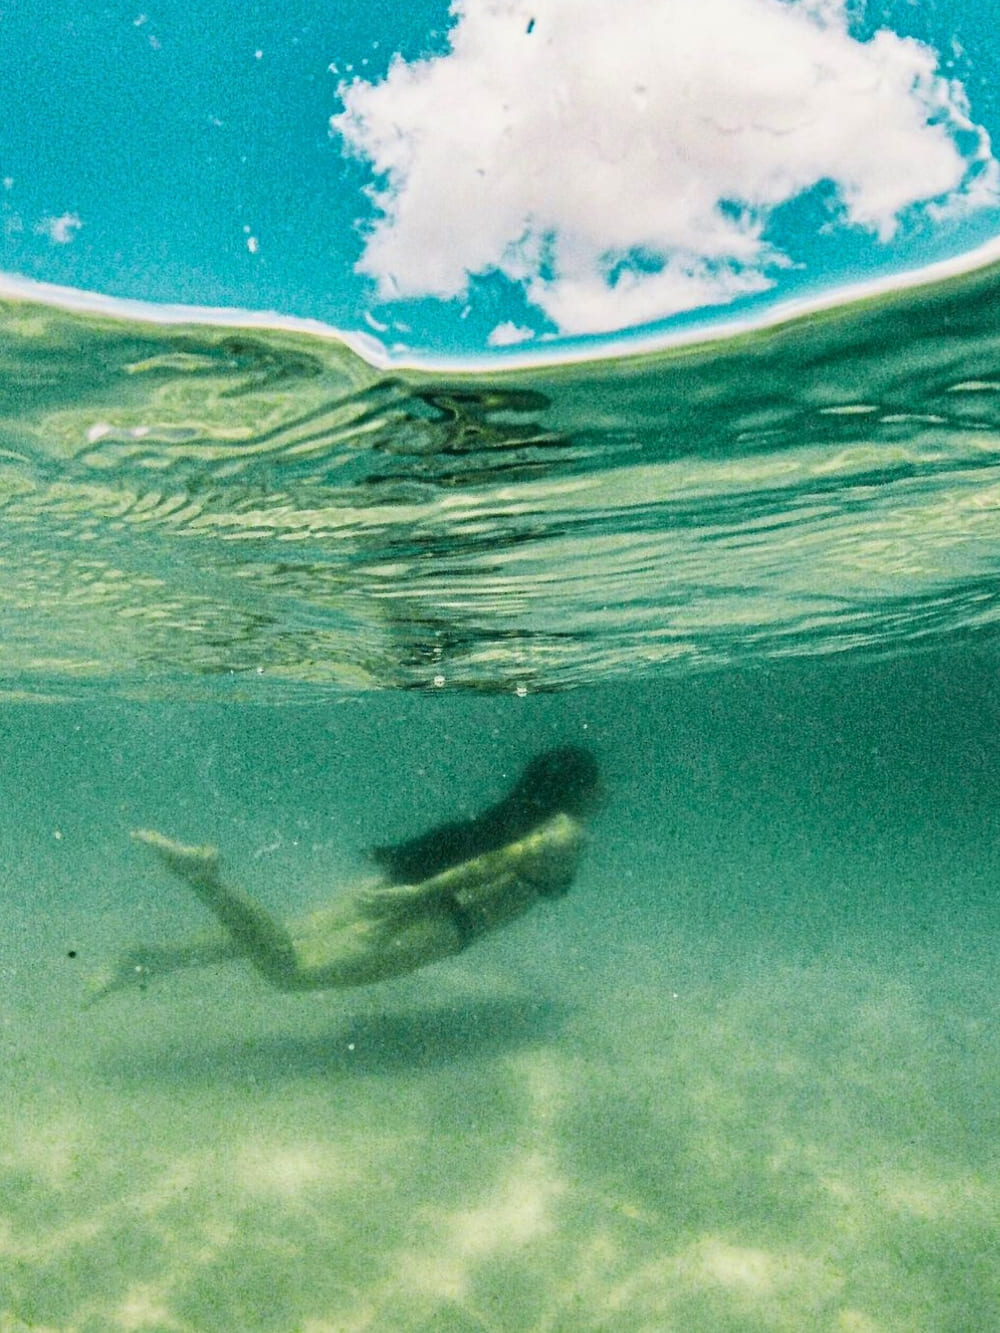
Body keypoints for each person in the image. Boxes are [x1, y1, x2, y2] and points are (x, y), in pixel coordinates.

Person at [86, 746, 600, 1003]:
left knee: (284, 939)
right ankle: (205, 880)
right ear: (577, 790)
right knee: (291, 971)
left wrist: (406, 890)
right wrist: (413, 898)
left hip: (398, 892)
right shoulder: (565, 832)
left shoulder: (516, 814)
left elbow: (478, 854)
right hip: (436, 918)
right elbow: (491, 866)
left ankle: (145, 962)